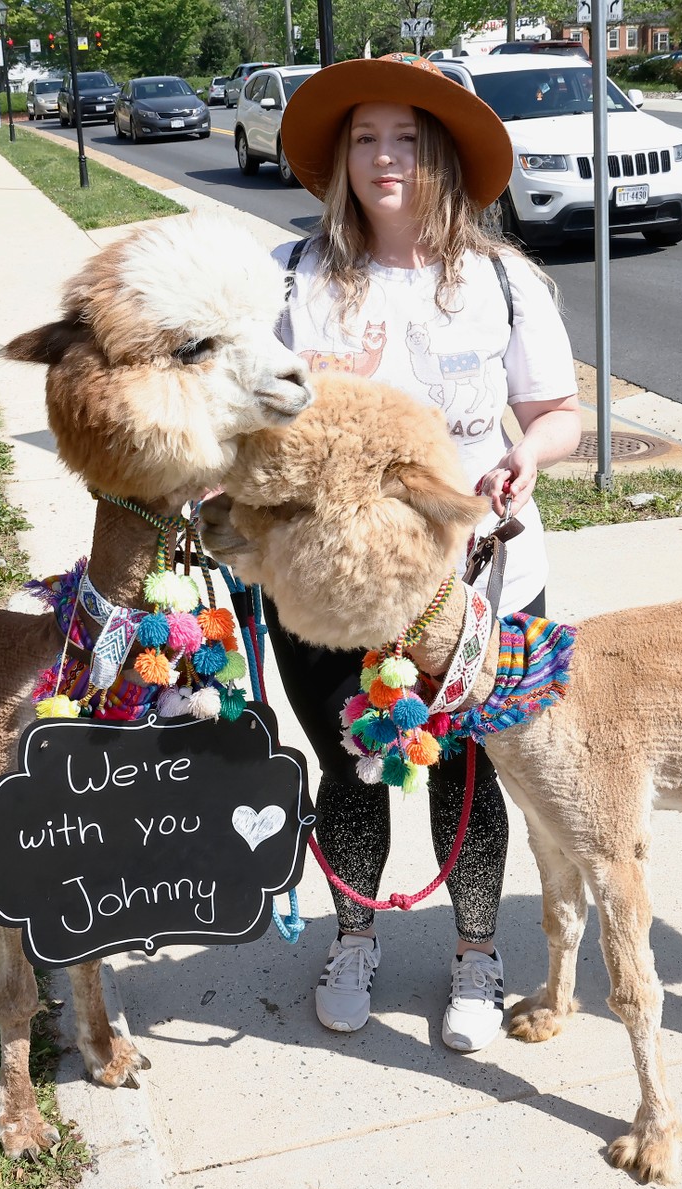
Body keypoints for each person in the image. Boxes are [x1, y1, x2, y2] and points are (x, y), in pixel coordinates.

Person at [265, 54, 581, 1053]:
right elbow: (246, 419)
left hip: (480, 584)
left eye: (405, 138)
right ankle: (354, 934)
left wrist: (526, 456)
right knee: (348, 770)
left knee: (471, 776)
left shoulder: (501, 281)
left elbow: (558, 412)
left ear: (438, 153)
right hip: (329, 593)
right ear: (340, 158)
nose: (384, 157)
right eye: (364, 138)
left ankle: (477, 955)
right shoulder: (291, 276)